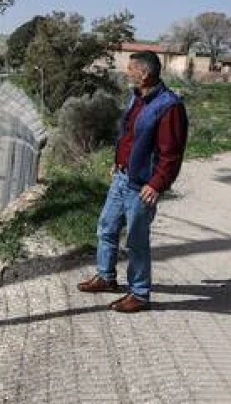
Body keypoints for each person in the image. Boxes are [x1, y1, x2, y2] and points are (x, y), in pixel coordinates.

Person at [77, 50, 189, 312]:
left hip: (142, 186)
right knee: (106, 225)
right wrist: (118, 162)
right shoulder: (137, 98)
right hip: (121, 177)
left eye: (131, 69)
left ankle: (139, 294)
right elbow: (128, 136)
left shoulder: (169, 106)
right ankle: (106, 277)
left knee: (137, 240)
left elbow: (171, 151)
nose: (127, 73)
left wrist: (157, 183)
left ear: (145, 73)